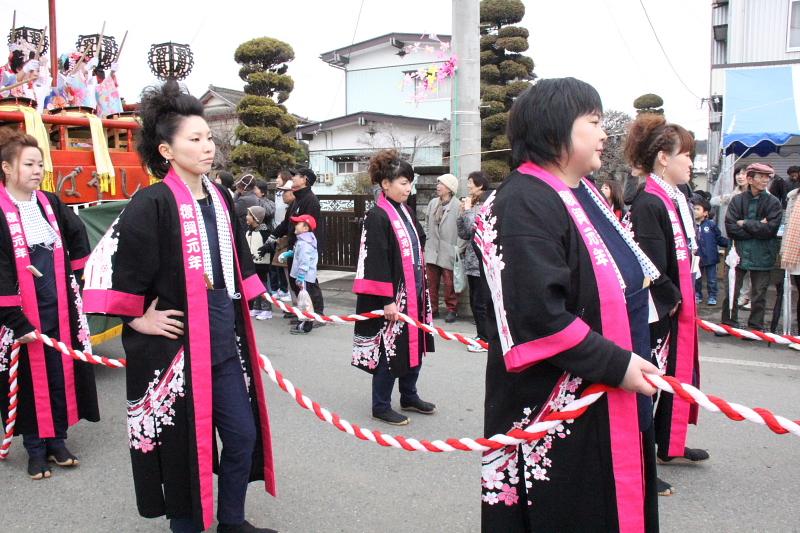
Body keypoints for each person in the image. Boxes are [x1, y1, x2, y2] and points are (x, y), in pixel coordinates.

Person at [82, 81, 277, 533]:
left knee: (242, 435)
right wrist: (136, 317)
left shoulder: (223, 198)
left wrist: (260, 295)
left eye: (208, 137)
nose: (207, 146)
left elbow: (237, 264)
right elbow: (108, 267)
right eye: (195, 139)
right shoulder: (150, 203)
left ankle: (231, 520)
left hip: (224, 343)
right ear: (166, 151)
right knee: (183, 449)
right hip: (176, 351)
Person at [478, 78, 660, 532]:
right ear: (556, 128)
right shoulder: (521, 201)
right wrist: (617, 362)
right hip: (559, 399)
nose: (605, 135)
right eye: (594, 123)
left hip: (606, 387)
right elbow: (536, 314)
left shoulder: (583, 192)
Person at [0, 129, 98, 480]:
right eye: (28, 164)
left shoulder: (50, 203)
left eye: (40, 164)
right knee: (28, 378)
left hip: (57, 305)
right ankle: (35, 449)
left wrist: (79, 277)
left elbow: (77, 234)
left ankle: (57, 440)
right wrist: (15, 319)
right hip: (19, 314)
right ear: (7, 169)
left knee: (59, 372)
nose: (37, 170)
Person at [626, 113, 708, 497]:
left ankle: (667, 444)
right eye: (685, 154)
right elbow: (647, 261)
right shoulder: (648, 200)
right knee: (650, 385)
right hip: (658, 311)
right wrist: (672, 297)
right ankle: (640, 461)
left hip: (674, 305)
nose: (690, 162)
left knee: (670, 376)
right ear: (663, 157)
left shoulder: (674, 197)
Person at [352, 149, 436, 426]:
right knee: (390, 349)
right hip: (393, 298)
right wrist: (387, 299)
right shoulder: (377, 216)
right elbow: (375, 260)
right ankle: (380, 405)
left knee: (415, 345)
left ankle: (409, 395)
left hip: (413, 294)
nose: (408, 188)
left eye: (410, 182)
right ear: (385, 184)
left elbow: (418, 246)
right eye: (403, 182)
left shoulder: (407, 211)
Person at [722, 163, 783, 331]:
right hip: (738, 251)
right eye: (761, 177)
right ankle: (728, 323)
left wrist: (745, 223)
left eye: (767, 177)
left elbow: (771, 229)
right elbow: (731, 228)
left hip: (763, 254)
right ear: (750, 179)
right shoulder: (737, 200)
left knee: (759, 293)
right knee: (732, 290)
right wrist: (758, 226)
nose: (765, 180)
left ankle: (755, 326)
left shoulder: (774, 202)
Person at [270, 167, 324, 326]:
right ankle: (304, 312)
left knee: (309, 281)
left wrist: (307, 247)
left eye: (297, 176)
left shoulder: (311, 200)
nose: (293, 178)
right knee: (295, 281)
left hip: (306, 247)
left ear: (305, 180)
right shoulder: (296, 200)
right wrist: (272, 237)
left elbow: (311, 226)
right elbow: (286, 223)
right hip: (294, 247)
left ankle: (318, 315)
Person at [456, 170, 490, 352]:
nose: (468, 185)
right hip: (471, 261)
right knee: (474, 301)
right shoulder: (473, 204)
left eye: (470, 182)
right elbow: (464, 233)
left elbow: (476, 230)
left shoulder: (486, 205)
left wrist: (468, 211)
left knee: (481, 302)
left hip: (481, 262)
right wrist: (462, 214)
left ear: (480, 185)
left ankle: (485, 339)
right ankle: (480, 334)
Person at [425, 173, 461, 323]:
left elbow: (462, 228)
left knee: (449, 283)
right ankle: (433, 309)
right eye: (438, 183)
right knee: (431, 283)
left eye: (442, 184)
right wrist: (428, 238)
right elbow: (427, 222)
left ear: (450, 188)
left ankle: (452, 310)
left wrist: (458, 248)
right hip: (433, 248)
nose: (438, 186)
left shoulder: (458, 205)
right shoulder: (433, 203)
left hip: (449, 249)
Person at [279, 214, 319, 335]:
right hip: (306, 277)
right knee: (304, 300)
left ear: (306, 228)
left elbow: (304, 261)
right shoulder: (304, 240)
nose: (295, 225)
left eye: (298, 223)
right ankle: (304, 323)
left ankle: (305, 325)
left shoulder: (304, 243)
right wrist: (289, 254)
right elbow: (298, 254)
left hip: (305, 277)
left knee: (305, 302)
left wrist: (300, 277)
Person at [694, 198, 728, 306]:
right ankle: (697, 295)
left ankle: (712, 296)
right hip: (696, 257)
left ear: (705, 213)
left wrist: (729, 243)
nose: (695, 211)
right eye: (694, 208)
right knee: (697, 279)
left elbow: (718, 238)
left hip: (710, 257)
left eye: (698, 209)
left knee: (712, 279)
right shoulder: (691, 225)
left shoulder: (711, 225)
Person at [245, 205, 273, 321]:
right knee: (255, 284)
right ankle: (257, 307)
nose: (246, 217)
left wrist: (266, 248)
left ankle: (267, 309)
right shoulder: (249, 231)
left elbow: (271, 246)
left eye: (249, 215)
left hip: (262, 263)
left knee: (262, 284)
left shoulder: (265, 232)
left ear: (256, 218)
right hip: (252, 262)